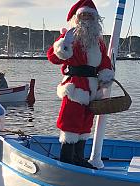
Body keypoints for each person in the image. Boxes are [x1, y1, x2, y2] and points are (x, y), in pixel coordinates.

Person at [47, 0, 114, 168]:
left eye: (90, 16)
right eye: (83, 15)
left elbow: (104, 61)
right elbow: (53, 57)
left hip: (92, 87)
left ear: (95, 19)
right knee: (70, 122)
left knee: (85, 123)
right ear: (77, 17)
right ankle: (66, 158)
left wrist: (106, 73)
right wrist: (63, 45)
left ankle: (78, 158)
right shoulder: (70, 37)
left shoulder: (98, 42)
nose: (86, 18)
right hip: (75, 87)